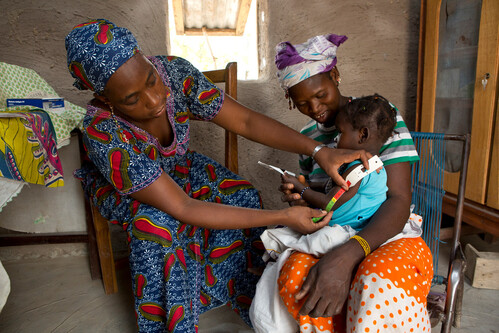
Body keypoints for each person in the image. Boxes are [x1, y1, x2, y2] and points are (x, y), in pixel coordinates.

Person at [64, 20, 370, 332]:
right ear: (106, 100)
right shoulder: (102, 132)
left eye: (151, 80)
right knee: (158, 226)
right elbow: (183, 207)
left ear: (144, 57)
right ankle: (173, 322)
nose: (155, 100)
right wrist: (284, 215)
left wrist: (320, 151)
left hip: (177, 167)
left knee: (242, 195)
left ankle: (229, 287)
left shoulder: (175, 73)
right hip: (126, 190)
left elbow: (247, 121)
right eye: (132, 99)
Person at [273, 34, 433, 332]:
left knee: (377, 279)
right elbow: (325, 195)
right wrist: (300, 195)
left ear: (334, 75)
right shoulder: (308, 136)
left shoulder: (377, 118)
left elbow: (397, 199)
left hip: (386, 230)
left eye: (321, 94)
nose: (315, 108)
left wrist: (350, 252)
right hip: (334, 228)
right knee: (298, 278)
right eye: (303, 103)